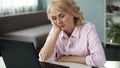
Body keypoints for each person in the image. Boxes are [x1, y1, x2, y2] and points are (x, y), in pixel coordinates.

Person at [39, 0, 106, 67]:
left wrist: (69, 58)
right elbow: (44, 58)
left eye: (61, 16)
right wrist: (56, 32)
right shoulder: (55, 30)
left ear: (72, 13)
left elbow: (100, 60)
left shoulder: (88, 29)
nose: (58, 22)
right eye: (54, 18)